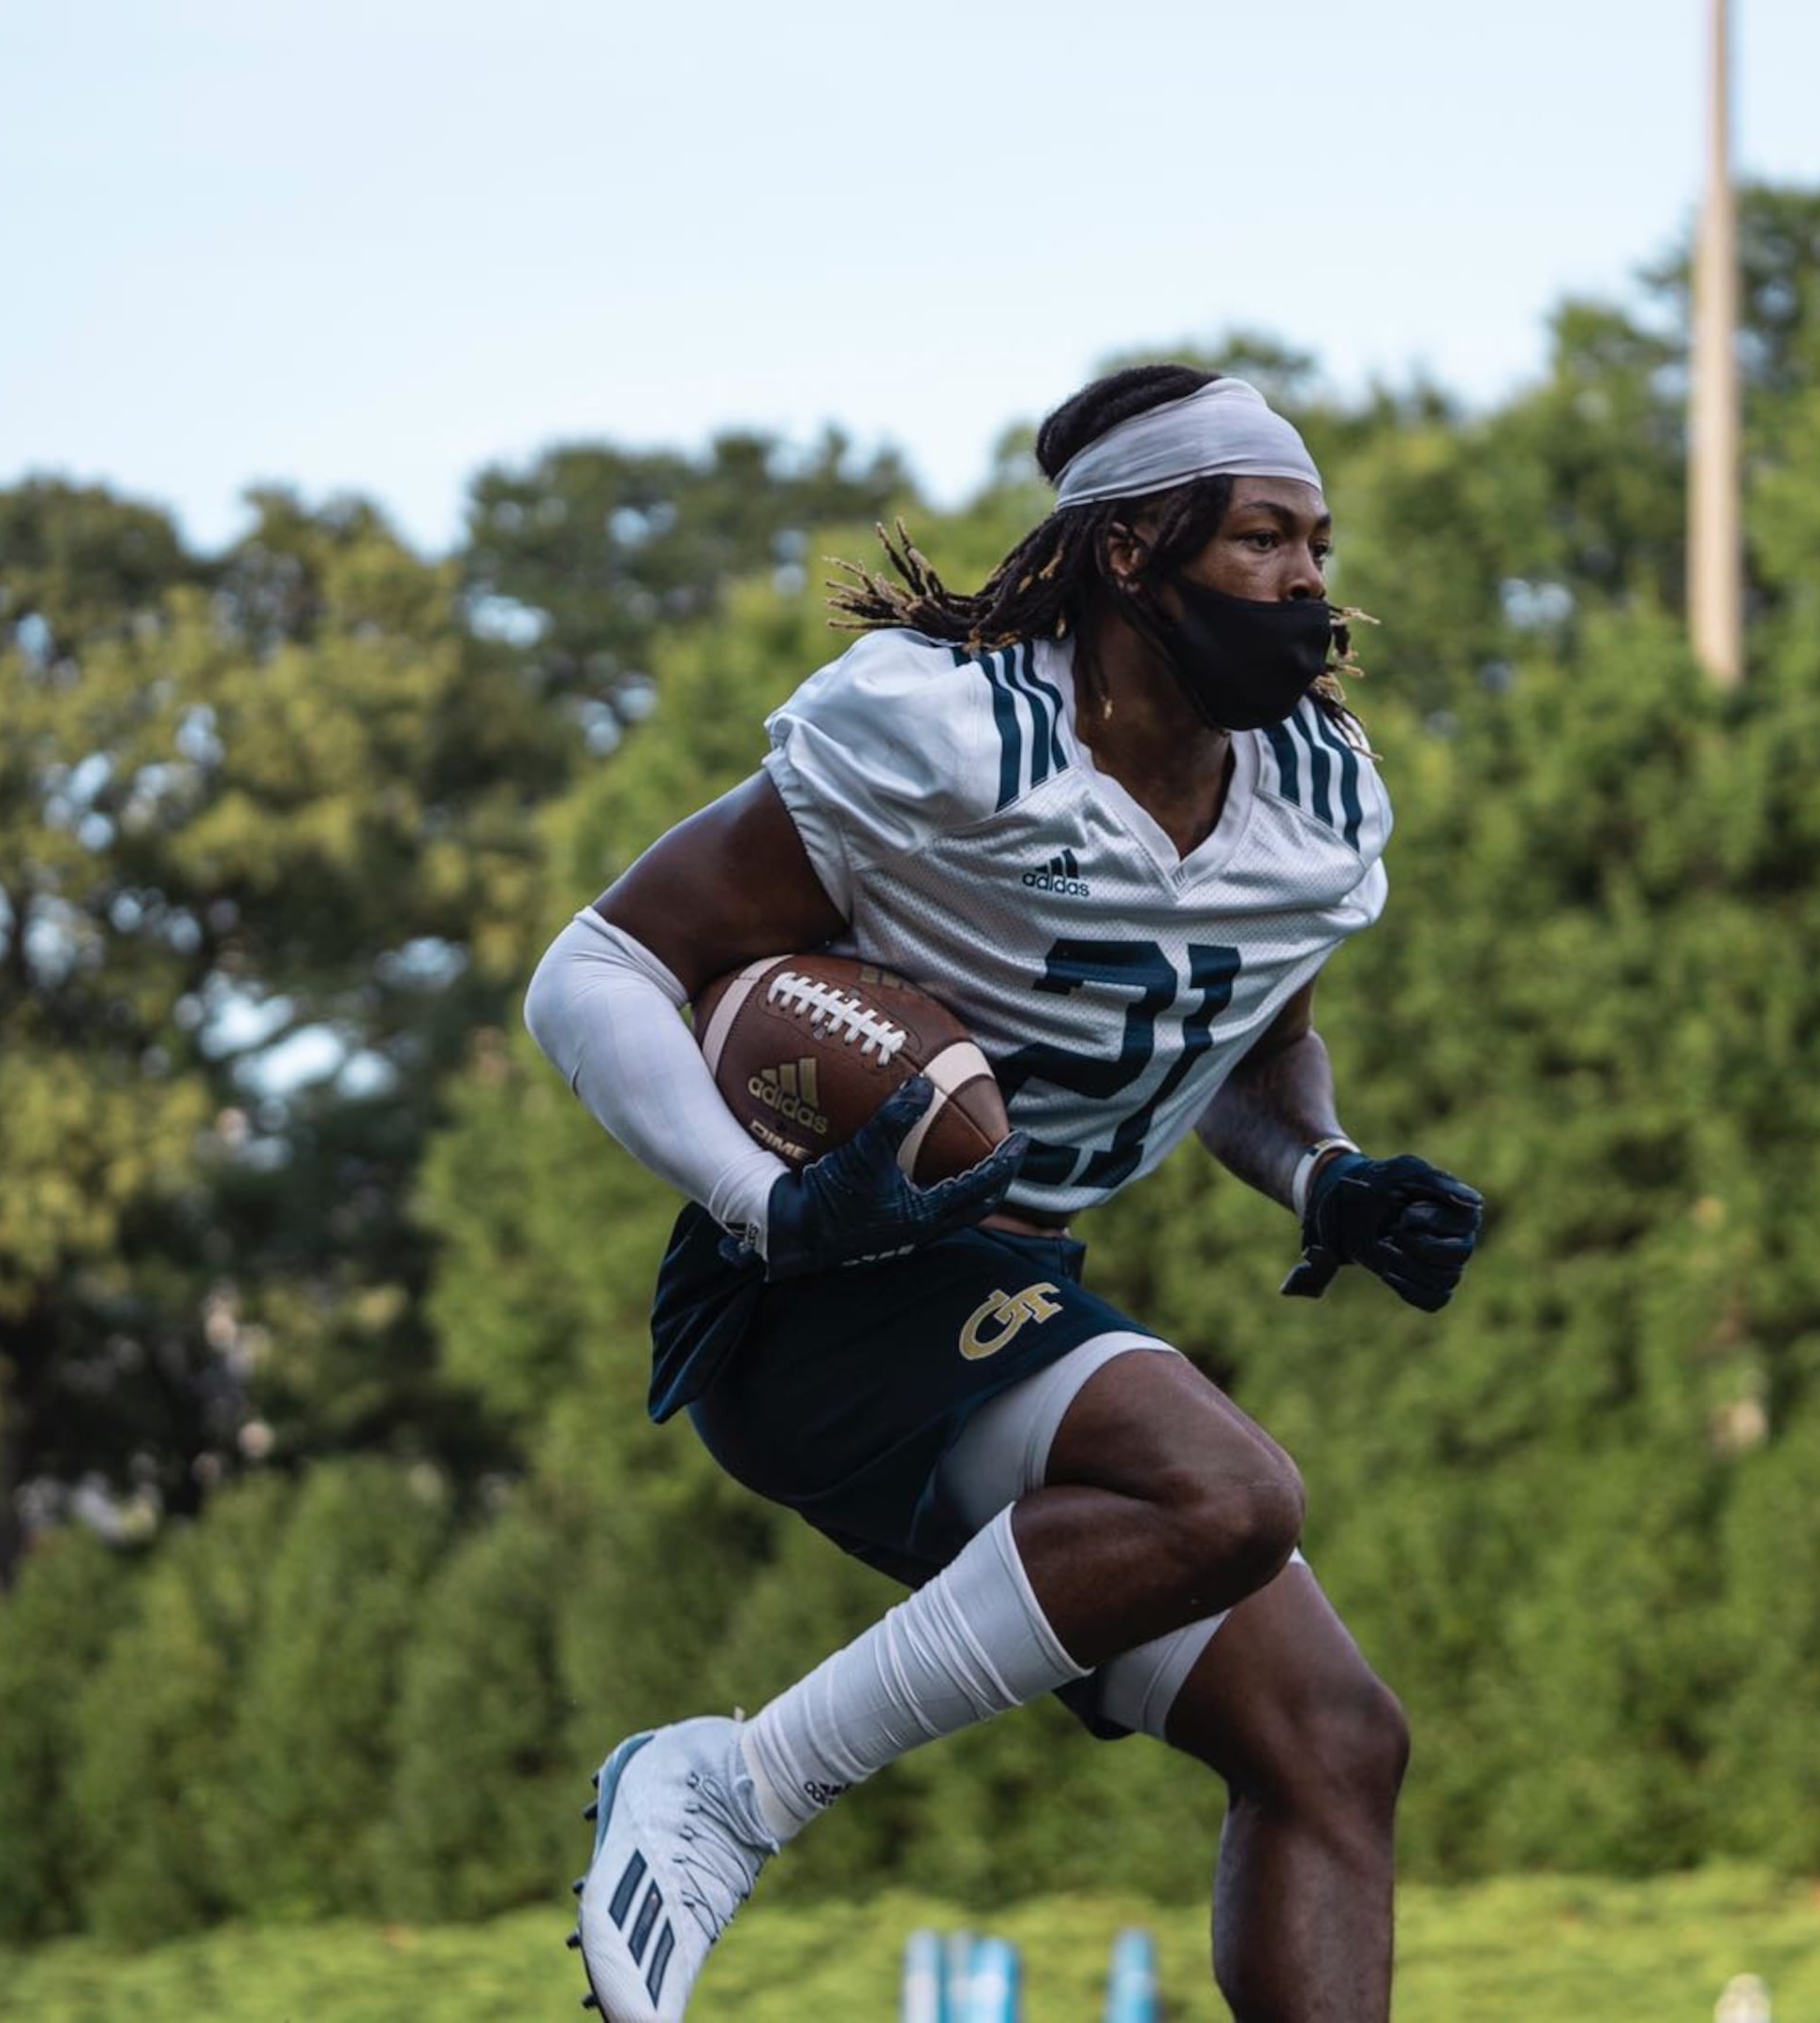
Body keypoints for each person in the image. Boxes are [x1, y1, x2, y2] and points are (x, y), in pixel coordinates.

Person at [527, 364, 1485, 2023]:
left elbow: (1240, 1053)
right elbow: (597, 962)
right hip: (817, 1289)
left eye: (1320, 541)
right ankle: (733, 1791)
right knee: (1228, 1492)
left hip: (1009, 1299)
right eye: (1265, 535)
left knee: (1331, 1744)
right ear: (1129, 550)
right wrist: (763, 1201)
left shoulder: (1316, 801)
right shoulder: (952, 729)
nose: (1311, 580)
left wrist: (1322, 1174)